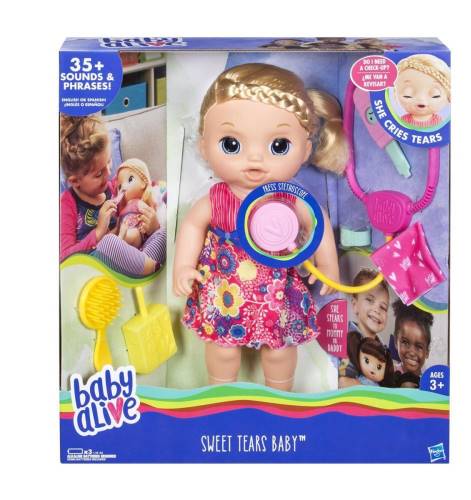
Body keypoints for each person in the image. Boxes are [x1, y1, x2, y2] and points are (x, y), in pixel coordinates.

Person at [173, 63, 349, 391]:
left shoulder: (290, 197)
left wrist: (328, 265)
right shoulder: (217, 198)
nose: (254, 159)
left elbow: (318, 222)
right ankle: (221, 394)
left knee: (279, 351)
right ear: (203, 145)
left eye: (278, 146)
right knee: (222, 351)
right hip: (225, 292)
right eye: (231, 144)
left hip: (277, 295)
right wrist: (183, 266)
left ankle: (279, 396)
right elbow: (193, 226)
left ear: (305, 149)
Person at [60, 114, 165, 276]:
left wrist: (152, 226)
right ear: (75, 181)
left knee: (164, 232)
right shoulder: (67, 204)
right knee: (109, 242)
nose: (108, 173)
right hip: (96, 271)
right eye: (98, 173)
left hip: (131, 256)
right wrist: (98, 232)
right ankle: (152, 270)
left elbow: (142, 192)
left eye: (109, 162)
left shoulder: (115, 187)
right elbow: (64, 258)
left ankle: (145, 269)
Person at [338, 269, 390, 388]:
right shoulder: (349, 341)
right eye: (370, 300)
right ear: (355, 305)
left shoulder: (382, 349)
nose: (377, 310)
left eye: (383, 307)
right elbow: (343, 382)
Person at [394, 54, 450, 128]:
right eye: (407, 95)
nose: (422, 100)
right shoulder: (403, 120)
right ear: (396, 94)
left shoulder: (438, 121)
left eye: (435, 95)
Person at [391, 300, 433, 388]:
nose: (412, 352)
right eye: (405, 342)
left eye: (419, 347)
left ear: (427, 352)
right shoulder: (389, 373)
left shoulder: (430, 381)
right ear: (396, 341)